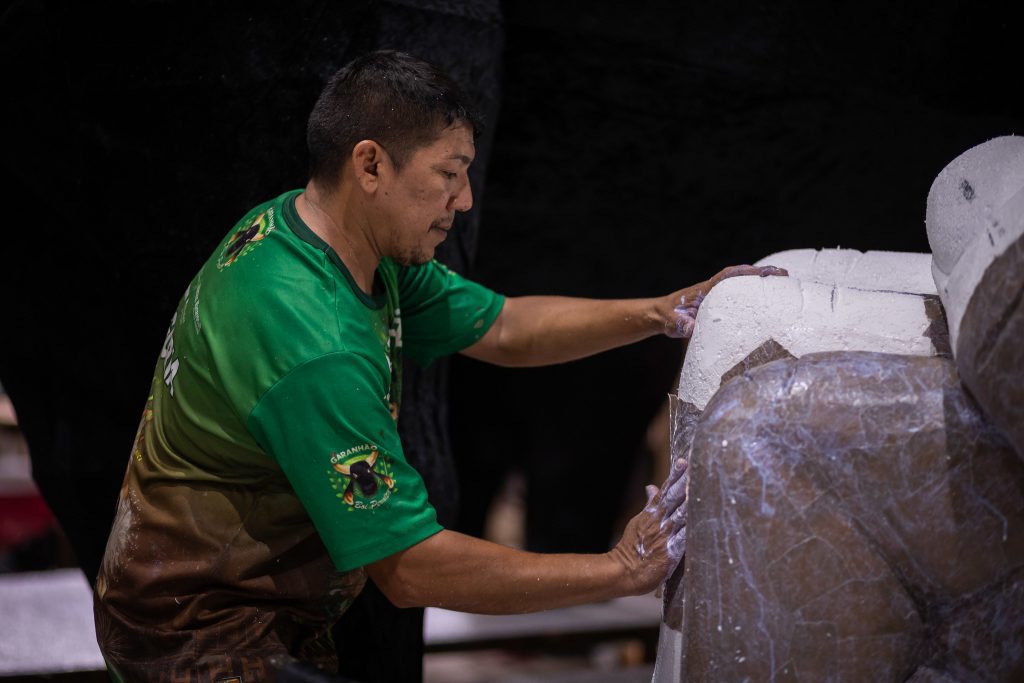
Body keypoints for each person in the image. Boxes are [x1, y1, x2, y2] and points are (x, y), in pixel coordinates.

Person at [93, 50, 783, 682]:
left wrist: (660, 312)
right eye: (449, 175)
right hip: (194, 631)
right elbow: (410, 568)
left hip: (274, 603)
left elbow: (506, 326)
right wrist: (619, 569)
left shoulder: (332, 239)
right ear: (370, 166)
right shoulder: (312, 339)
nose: (466, 201)